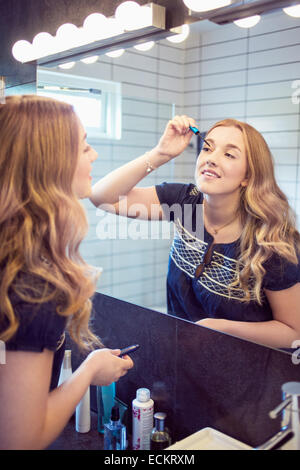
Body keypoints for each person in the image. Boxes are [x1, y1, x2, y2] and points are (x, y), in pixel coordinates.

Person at [90, 115, 300, 350]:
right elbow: (103, 198)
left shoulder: (273, 242)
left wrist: (223, 328)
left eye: (229, 154)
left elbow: (293, 332)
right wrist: (161, 154)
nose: (211, 159)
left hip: (244, 375)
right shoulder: (184, 202)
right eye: (208, 148)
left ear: (248, 176)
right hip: (182, 357)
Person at [0, 95, 133, 450]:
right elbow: (19, 440)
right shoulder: (33, 284)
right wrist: (89, 371)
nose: (95, 155)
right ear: (51, 162)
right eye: (85, 145)